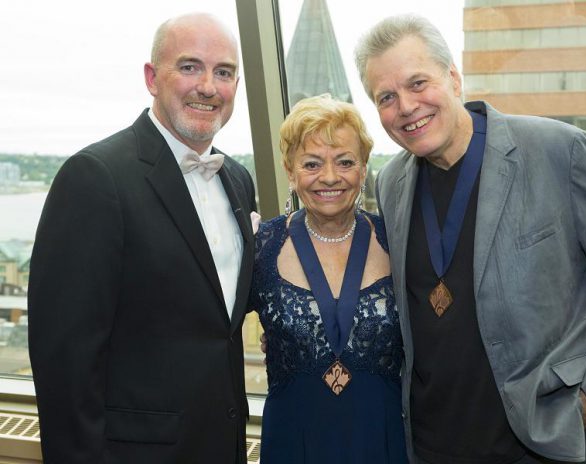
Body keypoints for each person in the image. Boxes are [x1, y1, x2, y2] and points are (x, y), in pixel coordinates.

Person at [354, 14, 586, 464]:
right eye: (386, 97)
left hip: (537, 444)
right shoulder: (391, 183)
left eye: (417, 83)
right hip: (430, 444)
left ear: (454, 78)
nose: (406, 106)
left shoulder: (560, 152)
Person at [28, 13, 256, 463]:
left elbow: (218, 320)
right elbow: (65, 365)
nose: (209, 86)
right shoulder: (95, 178)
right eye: (190, 67)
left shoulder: (238, 179)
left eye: (224, 72)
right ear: (152, 78)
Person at [249, 94, 407, 463]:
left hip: (381, 442)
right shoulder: (261, 248)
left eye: (345, 162)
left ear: (364, 168)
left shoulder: (398, 242)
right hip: (294, 443)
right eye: (312, 163)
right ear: (290, 171)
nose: (331, 177)